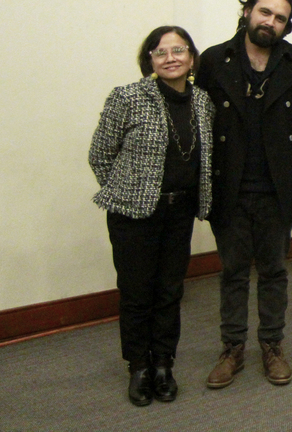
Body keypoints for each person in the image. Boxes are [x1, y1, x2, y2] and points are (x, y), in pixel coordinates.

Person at [89, 26, 215, 406]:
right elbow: (100, 154)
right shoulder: (128, 97)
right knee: (136, 293)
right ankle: (138, 368)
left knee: (169, 292)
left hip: (180, 212)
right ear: (149, 60)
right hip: (134, 215)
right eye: (160, 52)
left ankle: (164, 364)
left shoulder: (204, 102)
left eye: (179, 50)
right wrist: (128, 191)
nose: (170, 57)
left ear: (192, 58)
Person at [196, 0, 292, 389]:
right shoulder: (212, 61)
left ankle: (272, 346)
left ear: (286, 26)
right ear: (247, 11)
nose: (270, 22)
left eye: (280, 18)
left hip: (279, 189)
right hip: (228, 187)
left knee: (275, 271)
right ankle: (232, 349)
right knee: (232, 273)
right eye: (264, 12)